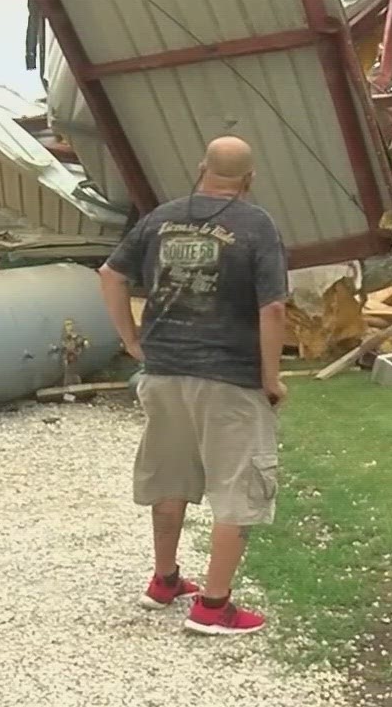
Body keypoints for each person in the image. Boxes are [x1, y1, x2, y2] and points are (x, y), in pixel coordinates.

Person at [98, 135, 288, 636]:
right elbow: (272, 307)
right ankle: (214, 606)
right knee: (237, 488)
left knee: (171, 478)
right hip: (227, 377)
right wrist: (270, 379)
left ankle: (164, 580)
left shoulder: (159, 218)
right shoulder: (256, 224)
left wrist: (132, 340)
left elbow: (110, 275)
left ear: (201, 167)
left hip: (162, 373)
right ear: (249, 179)